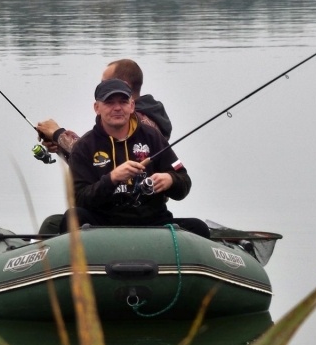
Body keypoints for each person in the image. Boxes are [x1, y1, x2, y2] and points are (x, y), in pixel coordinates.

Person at [61, 78, 209, 238]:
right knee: (72, 217)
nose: (117, 108)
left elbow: (184, 181)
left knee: (199, 227)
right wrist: (111, 179)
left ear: (132, 105)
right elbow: (78, 199)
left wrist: (170, 179)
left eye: (123, 102)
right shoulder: (84, 147)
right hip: (103, 223)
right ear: (97, 108)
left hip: (153, 222)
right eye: (109, 102)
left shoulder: (153, 137)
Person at [36, 58, 171, 163]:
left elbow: (98, 156)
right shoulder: (145, 112)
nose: (100, 86)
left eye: (104, 82)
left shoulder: (140, 121)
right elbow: (95, 165)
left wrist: (57, 134)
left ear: (123, 86)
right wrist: (60, 148)